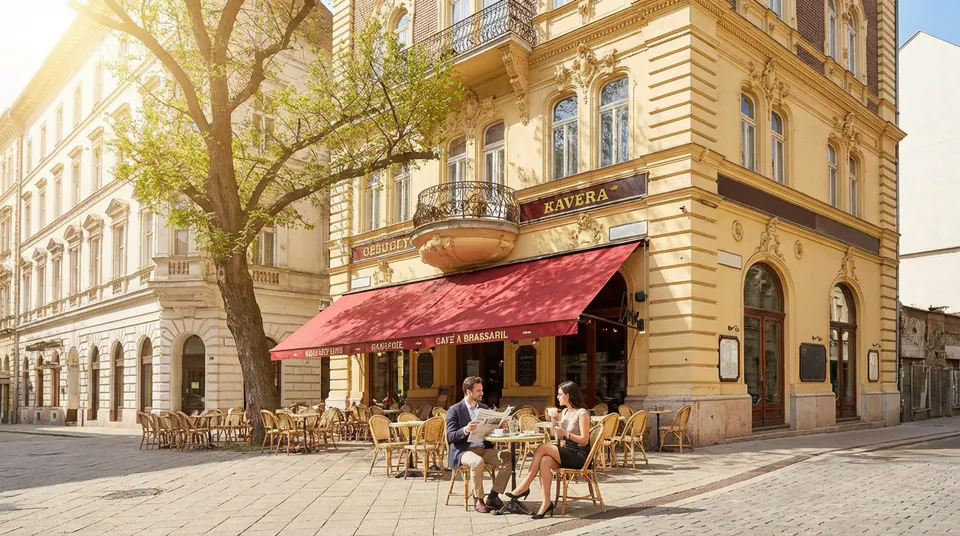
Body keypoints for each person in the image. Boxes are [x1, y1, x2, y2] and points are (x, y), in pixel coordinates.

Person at [506, 381, 591, 519]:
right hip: (568, 451)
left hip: (579, 455)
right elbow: (560, 436)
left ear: (568, 395)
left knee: (542, 447)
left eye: (560, 394)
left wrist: (567, 434)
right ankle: (546, 503)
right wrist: (554, 424)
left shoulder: (582, 414)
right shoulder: (564, 412)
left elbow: (585, 440)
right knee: (545, 461)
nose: (557, 397)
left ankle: (525, 484)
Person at [446, 376, 512, 513]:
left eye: (481, 390)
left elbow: (488, 432)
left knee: (508, 457)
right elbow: (450, 436)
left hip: (483, 447)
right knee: (477, 462)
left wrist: (498, 427)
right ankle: (479, 499)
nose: (482, 393)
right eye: (478, 391)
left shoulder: (484, 407)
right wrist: (466, 429)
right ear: (468, 392)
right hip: (464, 451)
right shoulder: (455, 409)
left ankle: (493, 496)